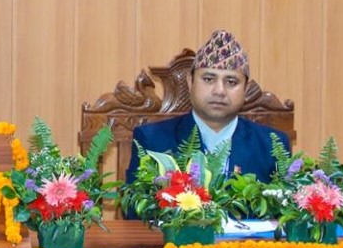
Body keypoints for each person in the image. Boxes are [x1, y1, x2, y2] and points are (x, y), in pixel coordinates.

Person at [124, 29, 292, 185]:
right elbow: (133, 204)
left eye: (231, 82)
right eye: (209, 79)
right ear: (190, 82)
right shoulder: (151, 140)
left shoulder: (272, 145)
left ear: (246, 89)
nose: (219, 91)